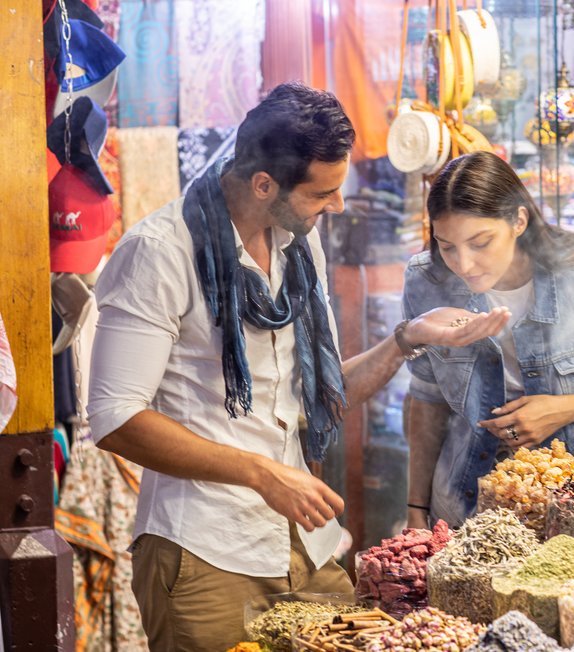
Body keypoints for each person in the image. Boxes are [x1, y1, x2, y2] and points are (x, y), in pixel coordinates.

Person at [87, 83, 507, 651]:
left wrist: (407, 340)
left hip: (304, 547)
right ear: (264, 184)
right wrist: (262, 473)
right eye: (322, 194)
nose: (336, 206)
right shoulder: (158, 254)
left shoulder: (297, 246)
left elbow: (322, 392)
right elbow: (115, 418)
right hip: (205, 555)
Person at [402, 151, 574, 529]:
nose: (463, 264)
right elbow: (427, 399)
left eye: (480, 242)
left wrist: (565, 408)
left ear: (518, 219)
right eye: (447, 246)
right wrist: (416, 507)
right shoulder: (426, 281)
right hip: (465, 503)